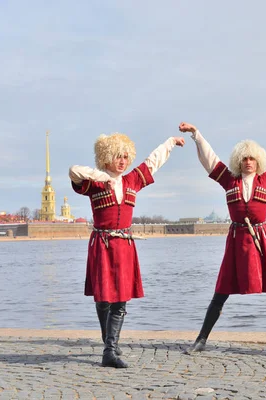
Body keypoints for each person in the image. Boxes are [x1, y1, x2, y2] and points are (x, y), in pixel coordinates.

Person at [178, 121, 266, 356]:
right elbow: (209, 158)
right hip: (236, 240)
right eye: (244, 159)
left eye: (252, 159)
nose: (248, 162)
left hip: (262, 240)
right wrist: (196, 134)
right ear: (239, 161)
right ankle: (201, 340)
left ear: (258, 161)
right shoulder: (229, 179)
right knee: (221, 291)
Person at [69, 132, 185, 368]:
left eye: (125, 157)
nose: (122, 161)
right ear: (106, 157)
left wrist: (170, 142)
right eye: (117, 157)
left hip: (124, 246)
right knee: (103, 300)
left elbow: (154, 161)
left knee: (120, 300)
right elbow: (73, 170)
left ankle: (109, 350)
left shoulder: (133, 179)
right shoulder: (95, 183)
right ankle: (109, 344)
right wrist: (102, 176)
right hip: (102, 244)